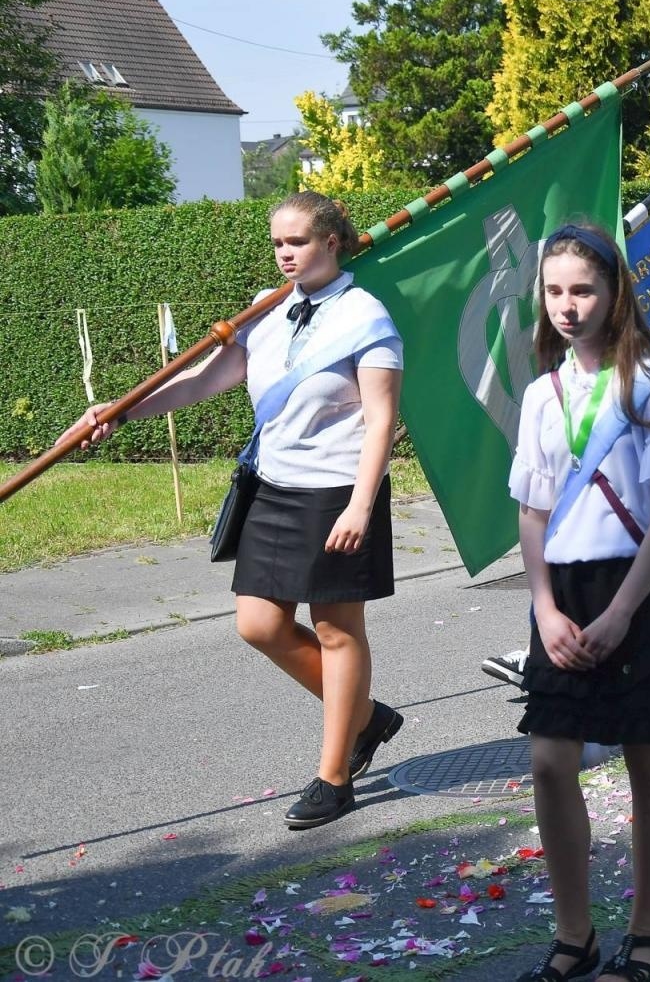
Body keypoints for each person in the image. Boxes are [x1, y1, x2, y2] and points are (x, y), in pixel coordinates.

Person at [58, 192, 406, 829]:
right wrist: (120, 412)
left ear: (332, 241)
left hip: (336, 492)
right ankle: (366, 717)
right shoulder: (265, 311)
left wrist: (361, 505)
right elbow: (202, 382)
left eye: (297, 242)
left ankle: (334, 778)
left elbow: (381, 419)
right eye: (277, 244)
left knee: (336, 631)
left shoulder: (367, 316)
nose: (284, 254)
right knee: (259, 625)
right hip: (272, 487)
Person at [507, 224, 650, 982]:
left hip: (637, 587)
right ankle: (575, 936)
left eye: (583, 290)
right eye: (554, 291)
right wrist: (544, 608)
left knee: (645, 756)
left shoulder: (648, 382)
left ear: (614, 293)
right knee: (550, 762)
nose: (567, 305)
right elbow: (531, 513)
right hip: (561, 593)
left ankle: (645, 932)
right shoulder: (541, 394)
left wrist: (622, 610)